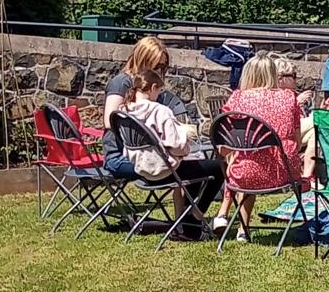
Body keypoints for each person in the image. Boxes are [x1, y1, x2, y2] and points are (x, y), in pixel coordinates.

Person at [102, 69, 224, 239]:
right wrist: (186, 143)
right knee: (218, 168)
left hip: (139, 169)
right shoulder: (160, 111)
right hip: (164, 170)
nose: (159, 95)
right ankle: (195, 216)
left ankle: (189, 226)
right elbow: (176, 146)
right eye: (159, 91)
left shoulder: (122, 112)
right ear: (152, 88)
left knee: (195, 171)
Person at [211, 53, 309, 241]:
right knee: (251, 160)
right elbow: (296, 141)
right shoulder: (289, 97)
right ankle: (241, 229)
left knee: (245, 161)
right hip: (284, 171)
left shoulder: (237, 99)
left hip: (245, 174)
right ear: (273, 74)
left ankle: (239, 227)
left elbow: (224, 142)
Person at [102, 37, 193, 169]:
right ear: (143, 61)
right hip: (121, 157)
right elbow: (109, 121)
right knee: (207, 170)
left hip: (150, 156)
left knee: (200, 166)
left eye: (163, 67)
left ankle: (178, 190)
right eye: (156, 66)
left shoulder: (151, 87)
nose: (159, 72)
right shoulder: (121, 83)